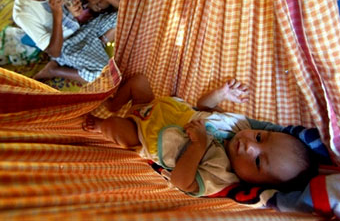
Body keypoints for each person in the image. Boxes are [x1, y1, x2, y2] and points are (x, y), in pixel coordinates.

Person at [82, 74, 316, 196]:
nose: (249, 146)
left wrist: (198, 146)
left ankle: (101, 124)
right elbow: (203, 107)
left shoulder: (221, 173)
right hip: (154, 106)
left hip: (143, 135)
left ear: (253, 182)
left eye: (257, 161)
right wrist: (222, 93)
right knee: (139, 81)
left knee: (114, 125)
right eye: (260, 138)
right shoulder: (237, 126)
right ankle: (114, 103)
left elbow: (181, 182)